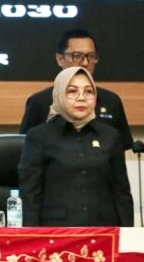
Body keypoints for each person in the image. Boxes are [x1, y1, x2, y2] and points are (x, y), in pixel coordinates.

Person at [18, 66, 133, 227]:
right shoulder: (38, 137)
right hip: (56, 231)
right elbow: (30, 193)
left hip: (103, 230)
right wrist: (32, 235)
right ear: (59, 94)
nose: (81, 98)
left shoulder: (111, 136)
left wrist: (128, 235)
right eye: (72, 91)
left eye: (88, 92)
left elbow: (121, 193)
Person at [19, 29, 133, 150]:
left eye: (91, 56)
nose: (85, 62)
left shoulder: (111, 101)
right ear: (60, 59)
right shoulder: (39, 102)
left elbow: (121, 147)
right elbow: (24, 146)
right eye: (77, 56)